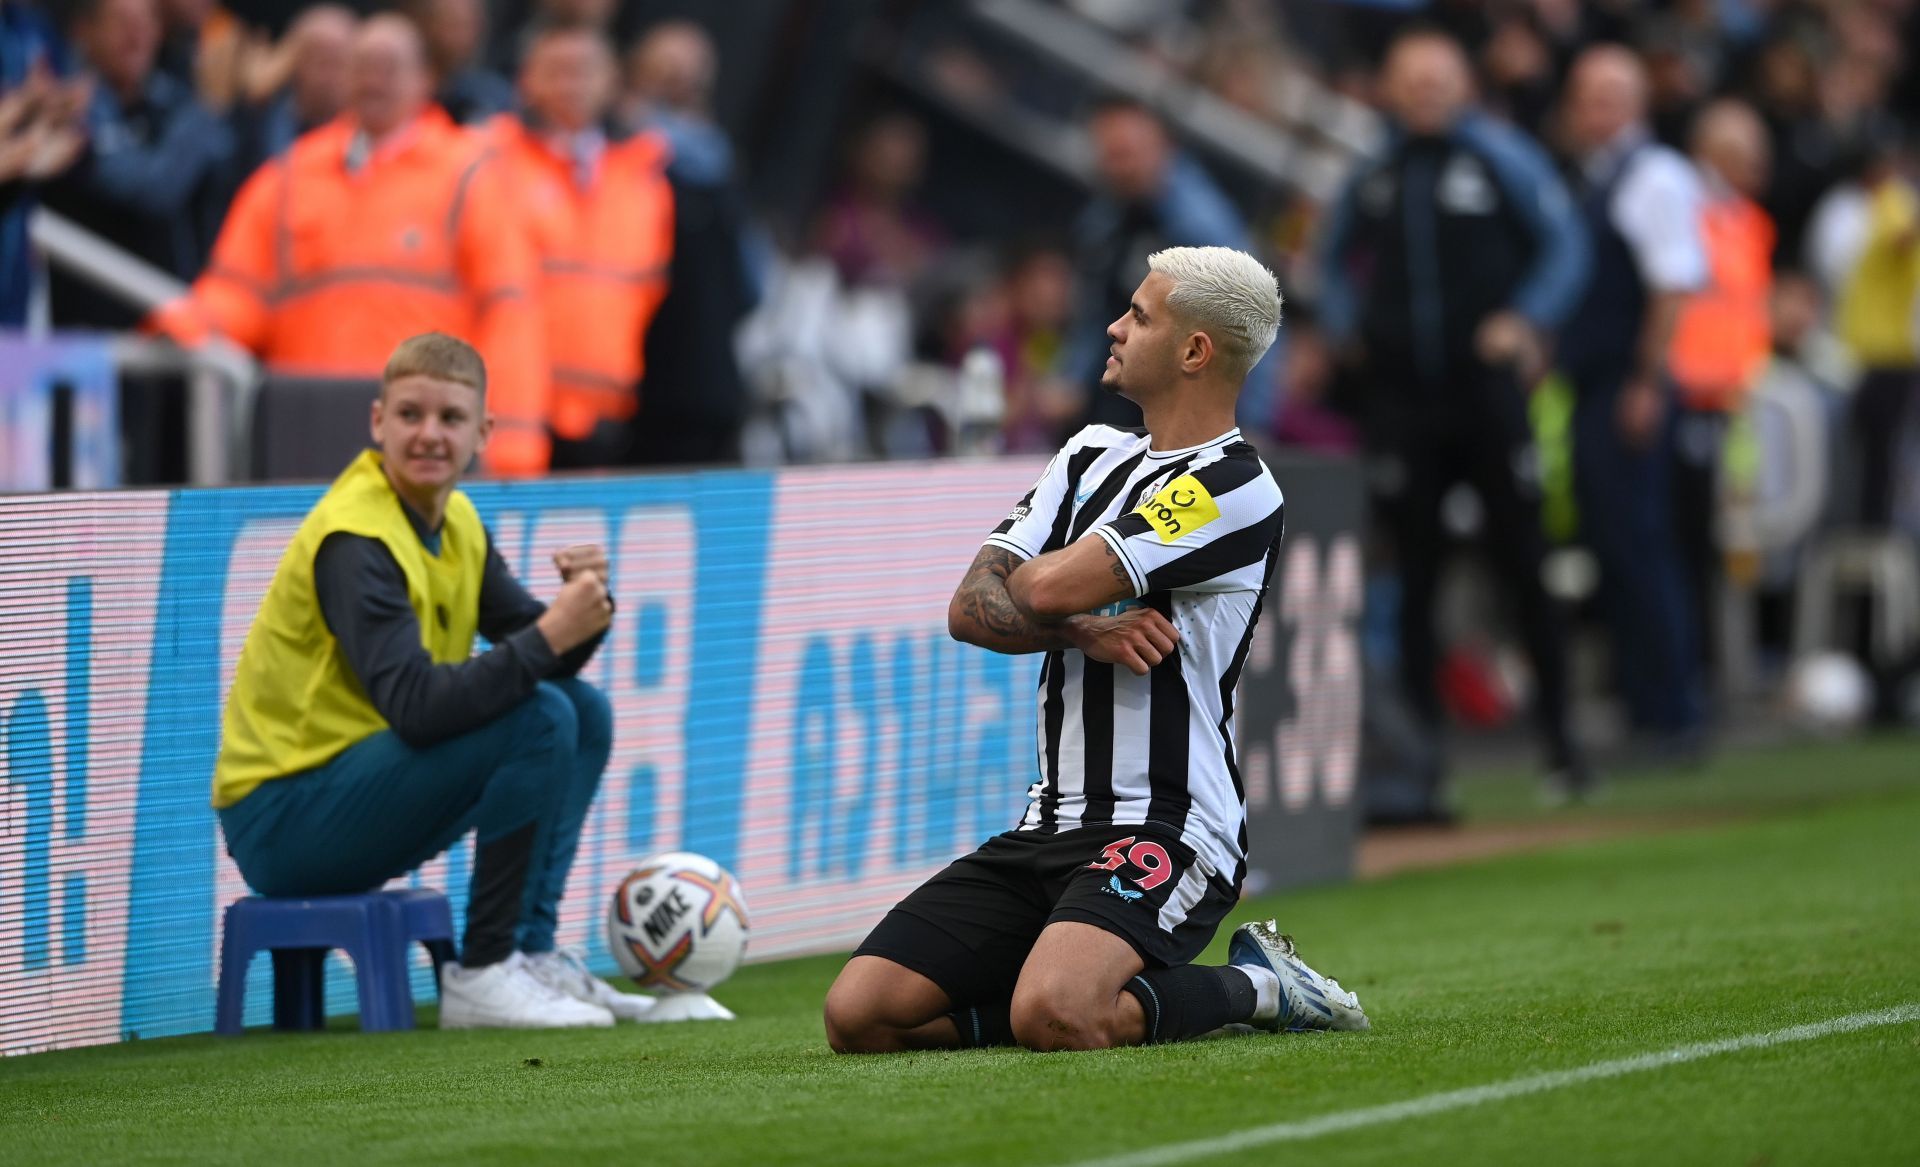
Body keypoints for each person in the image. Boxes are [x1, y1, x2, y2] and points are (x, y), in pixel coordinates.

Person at [822, 246, 1368, 1054]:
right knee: (860, 1015)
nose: (1113, 327)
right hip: (1049, 822)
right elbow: (970, 608)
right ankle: (1041, 990)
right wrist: (1082, 626)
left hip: (1170, 822)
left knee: (1060, 1015)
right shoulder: (1087, 454)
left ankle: (1256, 984)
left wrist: (1051, 593)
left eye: (1140, 316)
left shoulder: (1235, 484)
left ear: (1195, 352)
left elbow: (1031, 589)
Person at [214, 332, 650, 1029]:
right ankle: (482, 969)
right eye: (410, 414)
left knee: (581, 709)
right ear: (377, 421)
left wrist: (588, 603)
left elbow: (550, 656)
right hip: (284, 818)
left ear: (483, 433)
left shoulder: (457, 521)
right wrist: (553, 633)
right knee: (540, 716)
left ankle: (529, 952)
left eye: (450, 419)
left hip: (353, 790)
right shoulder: (356, 538)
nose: (428, 434)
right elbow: (417, 709)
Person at [1317, 28, 1591, 810]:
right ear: (1391, 89)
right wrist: (1348, 326)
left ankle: (1564, 746)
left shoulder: (1501, 156)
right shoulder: (1375, 167)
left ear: (1462, 82)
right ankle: (1421, 767)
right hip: (1404, 401)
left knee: (1523, 559)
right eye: (1411, 78)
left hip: (1486, 394)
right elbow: (1329, 261)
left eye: (1438, 77)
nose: (1425, 90)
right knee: (1413, 571)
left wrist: (1526, 318)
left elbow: (1565, 244)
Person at [150, 14, 551, 476]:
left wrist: (514, 444)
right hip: (307, 434)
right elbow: (239, 292)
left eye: (390, 67)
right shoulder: (289, 177)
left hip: (425, 443)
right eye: (362, 66)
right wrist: (182, 324)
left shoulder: (470, 177)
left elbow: (510, 311)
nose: (374, 80)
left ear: (425, 79)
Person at [1559, 45, 1708, 756]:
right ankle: (1649, 704)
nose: (1600, 109)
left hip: (1628, 380)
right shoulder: (1598, 175)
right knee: (1617, 544)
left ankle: (1671, 709)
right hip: (1597, 381)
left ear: (1639, 102)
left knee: (1642, 545)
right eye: (1589, 95)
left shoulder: (1654, 176)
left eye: (1613, 94)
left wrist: (1647, 381)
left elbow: (1671, 285)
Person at [488, 25, 672, 469]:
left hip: (603, 416)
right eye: (557, 71)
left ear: (612, 81)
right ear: (526, 80)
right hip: (506, 410)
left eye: (585, 72)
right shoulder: (489, 159)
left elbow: (649, 289)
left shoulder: (642, 177)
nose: (571, 84)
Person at [1065, 97, 1278, 438]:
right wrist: (1071, 379)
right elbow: (1094, 312)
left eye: (1125, 154)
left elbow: (1254, 323)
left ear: (1162, 148)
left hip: (1185, 405)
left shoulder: (1202, 228)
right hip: (1122, 393)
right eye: (1107, 155)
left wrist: (1251, 423)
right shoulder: (1106, 219)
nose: (1116, 167)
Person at [1669, 99, 1775, 689]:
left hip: (1735, 403)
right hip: (1686, 396)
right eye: (1743, 154)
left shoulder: (1751, 221)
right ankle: (1688, 672)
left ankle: (1716, 672)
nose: (1756, 165)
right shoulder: (1687, 212)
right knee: (1683, 543)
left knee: (1722, 544)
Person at [46, 0, 233, 328]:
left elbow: (229, 178)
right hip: (86, 330)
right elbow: (153, 191)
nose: (136, 35)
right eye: (120, 22)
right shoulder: (68, 108)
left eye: (146, 23)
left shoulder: (173, 100)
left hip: (168, 327)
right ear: (85, 32)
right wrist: (210, 106)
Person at [409, 0, 511, 126]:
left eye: (469, 25)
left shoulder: (492, 95)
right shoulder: (403, 85)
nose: (461, 35)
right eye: (452, 24)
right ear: (428, 24)